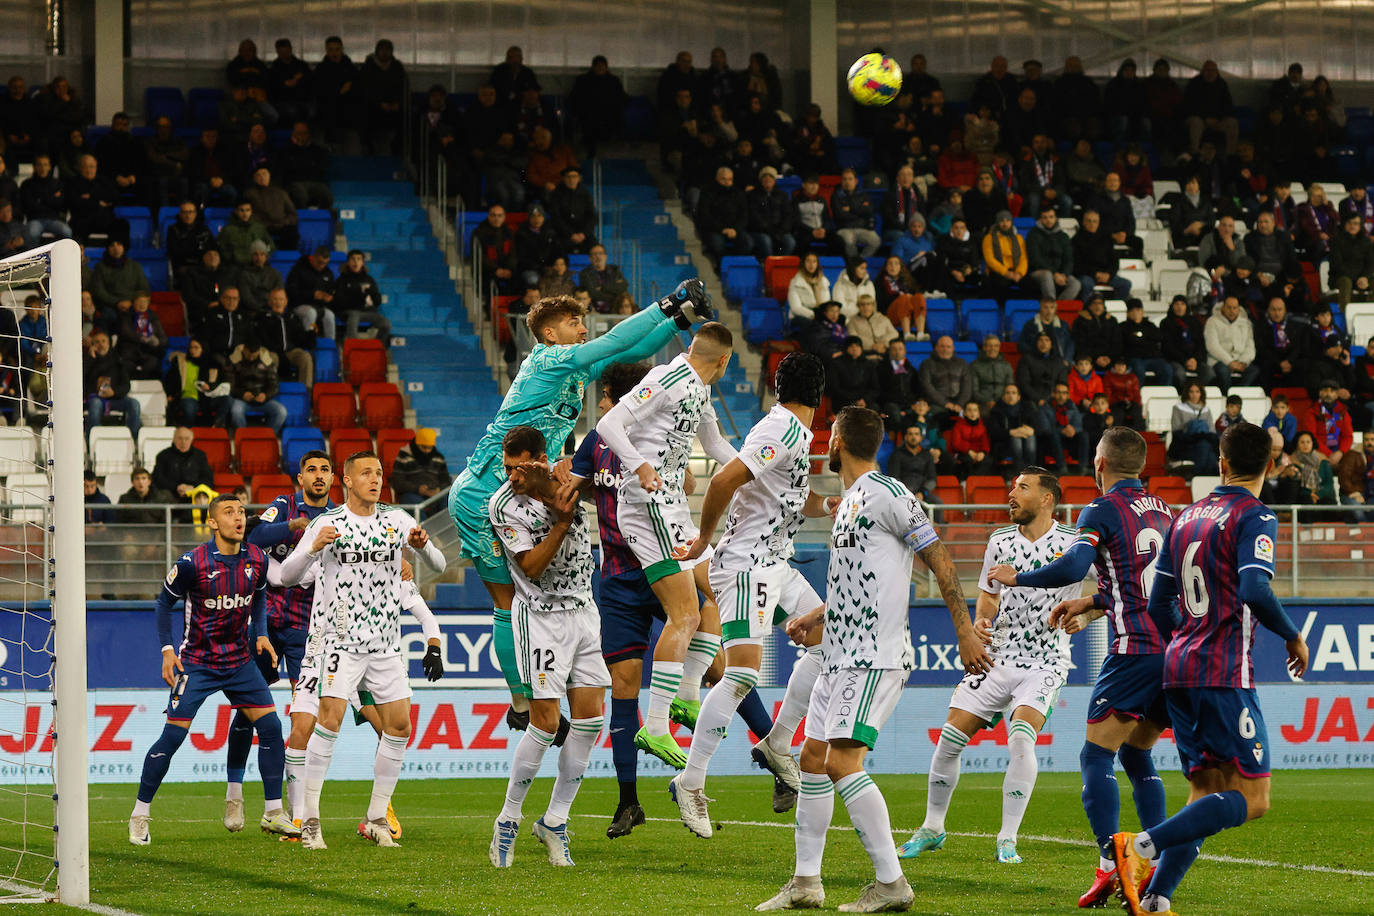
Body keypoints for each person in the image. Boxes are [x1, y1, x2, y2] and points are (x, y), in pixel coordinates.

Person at [448, 284, 710, 732]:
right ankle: (521, 704)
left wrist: (679, 322)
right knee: (507, 602)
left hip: (523, 489)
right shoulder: (548, 360)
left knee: (529, 597)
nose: (583, 329)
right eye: (574, 323)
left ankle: (541, 695)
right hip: (483, 492)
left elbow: (632, 350)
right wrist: (669, 302)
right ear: (550, 334)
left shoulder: (572, 370)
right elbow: (612, 341)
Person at [758, 406, 987, 912]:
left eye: (830, 435)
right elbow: (855, 582)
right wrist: (815, 618)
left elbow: (939, 557)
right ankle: (805, 882)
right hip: (837, 654)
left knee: (841, 761)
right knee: (812, 760)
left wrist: (965, 631)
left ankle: (891, 883)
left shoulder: (888, 493)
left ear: (838, 440)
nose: (827, 442)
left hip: (872, 657)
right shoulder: (853, 502)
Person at [1114, 423, 1308, 916]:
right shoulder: (1256, 516)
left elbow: (1157, 603)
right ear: (1268, 466)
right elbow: (1255, 590)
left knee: (1205, 791)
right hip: (1222, 672)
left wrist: (1187, 634)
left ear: (1220, 464)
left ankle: (1157, 898)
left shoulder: (1185, 517)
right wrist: (1292, 634)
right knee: (1255, 798)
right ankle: (1140, 847)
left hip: (1177, 666)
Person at [987, 428, 1173, 906]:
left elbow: (1072, 566)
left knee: (1095, 757)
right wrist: (1091, 601)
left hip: (1134, 649)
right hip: (1173, 649)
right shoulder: (1163, 509)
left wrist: (1018, 577)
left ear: (1102, 463)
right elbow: (1145, 582)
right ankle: (1150, 864)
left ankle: (1111, 861)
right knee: (1136, 755)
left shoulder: (1102, 508)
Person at [671, 353, 840, 835]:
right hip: (746, 566)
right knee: (742, 674)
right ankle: (692, 780)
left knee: (833, 640)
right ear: (819, 397)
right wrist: (705, 537)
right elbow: (725, 478)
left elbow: (786, 495)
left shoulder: (793, 435)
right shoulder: (781, 430)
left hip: (775, 563)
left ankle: (777, 742)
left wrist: (826, 503)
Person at [899, 468, 1080, 866]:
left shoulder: (1073, 543)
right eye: (1012, 486)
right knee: (949, 739)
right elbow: (987, 597)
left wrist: (1086, 615)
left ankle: (1007, 838)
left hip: (1045, 659)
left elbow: (1105, 591)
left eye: (1022, 487)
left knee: (1020, 737)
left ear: (1047, 499)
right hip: (997, 656)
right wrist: (981, 620)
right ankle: (932, 828)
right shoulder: (999, 541)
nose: (1011, 493)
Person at [278, 451, 446, 849]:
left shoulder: (397, 520)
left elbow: (438, 564)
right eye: (366, 473)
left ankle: (375, 818)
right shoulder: (327, 523)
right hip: (338, 640)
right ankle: (311, 821)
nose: (375, 478)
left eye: (380, 472)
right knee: (329, 720)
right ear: (348, 481)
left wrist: (421, 547)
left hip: (384, 644)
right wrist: (311, 547)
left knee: (400, 726)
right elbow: (287, 576)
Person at [595, 323, 737, 767]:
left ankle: (687, 695)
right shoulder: (665, 379)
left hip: (672, 506)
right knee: (686, 613)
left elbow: (714, 444)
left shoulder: (699, 389)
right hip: (646, 506)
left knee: (717, 589)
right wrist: (637, 465)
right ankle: (656, 727)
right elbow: (607, 422)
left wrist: (756, 474)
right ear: (725, 361)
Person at [126, 493, 294, 848]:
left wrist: (261, 634)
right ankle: (140, 813)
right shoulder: (192, 563)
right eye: (229, 512)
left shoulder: (257, 559)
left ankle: (273, 811)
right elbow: (163, 603)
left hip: (239, 661)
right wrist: (167, 650)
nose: (239, 518)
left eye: (242, 512)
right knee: (171, 738)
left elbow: (260, 594)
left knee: (271, 726)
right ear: (212, 523)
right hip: (198, 664)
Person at [485, 425, 608, 868]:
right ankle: (508, 820)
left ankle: (555, 821)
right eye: (507, 467)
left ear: (539, 459)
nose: (512, 477)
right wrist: (560, 521)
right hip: (540, 617)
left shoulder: (568, 479)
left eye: (519, 468)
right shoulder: (502, 504)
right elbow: (532, 568)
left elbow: (606, 492)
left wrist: (574, 484)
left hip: (584, 611)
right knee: (545, 722)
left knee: (592, 720)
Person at [233, 451, 339, 831]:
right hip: (265, 616)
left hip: (304, 625)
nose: (319, 476)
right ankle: (235, 792)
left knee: (303, 713)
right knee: (250, 706)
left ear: (332, 479)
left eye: (325, 470)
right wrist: (294, 525)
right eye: (311, 470)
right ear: (300, 478)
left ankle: (295, 809)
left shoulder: (339, 517)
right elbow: (255, 534)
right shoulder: (284, 505)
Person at [83, 329, 140, 437]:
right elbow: (82, 381)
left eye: (103, 341)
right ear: (93, 345)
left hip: (115, 398)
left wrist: (113, 392)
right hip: (95, 399)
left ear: (108, 343)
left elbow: (126, 385)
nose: (101, 344)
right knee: (96, 404)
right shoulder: (87, 360)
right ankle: (94, 439)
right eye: (97, 342)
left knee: (134, 404)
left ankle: (133, 439)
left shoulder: (118, 361)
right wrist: (91, 358)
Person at [227, 337, 287, 433]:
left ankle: (268, 436)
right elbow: (229, 385)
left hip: (262, 399)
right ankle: (243, 437)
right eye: (249, 355)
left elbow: (274, 385)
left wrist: (265, 395)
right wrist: (242, 394)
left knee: (281, 411)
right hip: (242, 399)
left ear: (258, 351)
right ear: (244, 350)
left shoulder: (267, 361)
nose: (251, 358)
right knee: (236, 411)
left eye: (254, 356)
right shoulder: (234, 361)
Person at [1074, 210, 1131, 301]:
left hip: (1106, 274)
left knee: (1126, 284)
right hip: (1087, 274)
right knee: (1086, 284)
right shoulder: (1076, 240)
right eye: (1089, 221)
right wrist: (1095, 274)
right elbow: (1077, 265)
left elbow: (1114, 261)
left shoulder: (1106, 239)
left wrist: (1108, 274)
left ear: (1098, 223)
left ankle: (1114, 307)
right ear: (1083, 222)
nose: (1092, 224)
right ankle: (1086, 311)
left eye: (1095, 221)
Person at [1204, 296, 1259, 391]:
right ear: (1223, 307)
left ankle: (1239, 396)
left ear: (1239, 309)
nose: (1232, 311)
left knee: (1254, 370)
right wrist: (1230, 362)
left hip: (1240, 361)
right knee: (1223, 371)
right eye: (1229, 307)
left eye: (1235, 308)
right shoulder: (1212, 321)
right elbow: (1212, 346)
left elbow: (1250, 346)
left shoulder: (1246, 323)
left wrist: (1243, 362)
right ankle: (1227, 398)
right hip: (1218, 360)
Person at [1027, 208, 1082, 302]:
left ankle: (1057, 307)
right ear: (1040, 220)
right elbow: (1035, 259)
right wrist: (1055, 273)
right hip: (1038, 271)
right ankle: (1050, 303)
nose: (1048, 220)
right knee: (1047, 275)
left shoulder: (1063, 236)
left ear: (1056, 218)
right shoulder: (1033, 235)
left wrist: (1065, 274)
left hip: (1060, 273)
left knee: (1075, 284)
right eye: (1045, 217)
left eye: (1051, 217)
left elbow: (1068, 259)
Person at [334, 249, 390, 341]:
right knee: (354, 315)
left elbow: (377, 301)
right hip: (349, 312)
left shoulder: (369, 279)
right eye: (353, 259)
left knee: (385, 324)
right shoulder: (342, 280)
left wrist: (372, 292)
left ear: (363, 263)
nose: (356, 262)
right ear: (348, 262)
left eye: (359, 259)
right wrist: (357, 293)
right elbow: (339, 302)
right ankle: (353, 347)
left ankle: (376, 346)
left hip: (367, 312)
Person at [1160, 295, 1214, 389]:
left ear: (1186, 306)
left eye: (1182, 304)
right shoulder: (1166, 323)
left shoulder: (1195, 322)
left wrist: (1195, 359)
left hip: (1194, 360)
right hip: (1175, 360)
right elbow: (1168, 347)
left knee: (1209, 372)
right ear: (1172, 306)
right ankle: (1183, 394)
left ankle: (1197, 393)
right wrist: (1184, 360)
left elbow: (1201, 344)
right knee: (1179, 374)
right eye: (1177, 304)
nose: (1179, 307)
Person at [285, 245, 338, 337]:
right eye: (320, 262)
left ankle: (330, 345)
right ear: (313, 257)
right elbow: (291, 292)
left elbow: (331, 291)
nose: (322, 266)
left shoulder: (328, 273)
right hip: (298, 305)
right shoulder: (298, 269)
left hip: (319, 306)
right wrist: (312, 294)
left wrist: (328, 298)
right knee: (311, 313)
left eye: (325, 263)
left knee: (330, 315)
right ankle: (308, 342)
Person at [989, 383, 1041, 475]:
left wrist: (1032, 430)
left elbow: (1038, 425)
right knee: (1016, 439)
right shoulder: (996, 410)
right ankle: (1020, 472)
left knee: (1030, 437)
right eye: (1007, 393)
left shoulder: (1027, 407)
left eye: (1013, 393)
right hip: (1005, 445)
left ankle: (1031, 472)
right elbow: (994, 432)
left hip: (1026, 442)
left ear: (1019, 396)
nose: (1010, 395)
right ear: (1003, 396)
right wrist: (1012, 432)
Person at [152, 426, 214, 501]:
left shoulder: (200, 456)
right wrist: (177, 487)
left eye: (186, 438)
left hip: (194, 492)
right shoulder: (163, 455)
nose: (183, 442)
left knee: (203, 497)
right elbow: (158, 478)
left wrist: (193, 487)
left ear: (191, 440)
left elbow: (207, 478)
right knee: (163, 496)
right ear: (174, 439)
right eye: (180, 438)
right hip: (171, 493)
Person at [391, 428, 452, 504]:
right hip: (412, 494)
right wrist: (418, 489)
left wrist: (439, 489)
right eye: (423, 447)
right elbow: (398, 482)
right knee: (413, 501)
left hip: (435, 493)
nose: (427, 451)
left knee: (449, 500)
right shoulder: (403, 457)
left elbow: (446, 480)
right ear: (417, 444)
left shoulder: (438, 458)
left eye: (429, 448)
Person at [90, 239, 151, 314]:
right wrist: (117, 302)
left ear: (123, 247)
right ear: (108, 249)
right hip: (109, 305)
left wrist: (131, 302)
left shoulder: (135, 266)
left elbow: (143, 288)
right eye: (112, 245)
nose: (116, 248)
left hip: (134, 305)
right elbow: (99, 291)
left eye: (119, 244)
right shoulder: (100, 267)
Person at [1300, 381, 1353, 466]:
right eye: (1325, 390)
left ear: (1337, 394)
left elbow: (1348, 436)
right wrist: (1328, 454)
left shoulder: (1343, 412)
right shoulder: (1312, 412)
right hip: (1319, 451)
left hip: (1339, 452)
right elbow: (1311, 437)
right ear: (1320, 393)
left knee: (1353, 458)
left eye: (1332, 391)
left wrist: (1340, 452)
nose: (1328, 394)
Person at [875, 255, 928, 341]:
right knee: (903, 298)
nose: (893, 267)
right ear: (885, 267)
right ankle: (907, 334)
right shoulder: (880, 282)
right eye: (890, 264)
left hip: (910, 314)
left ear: (901, 267)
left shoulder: (909, 281)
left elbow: (916, 298)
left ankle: (920, 333)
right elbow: (881, 303)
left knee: (919, 297)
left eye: (896, 264)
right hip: (891, 316)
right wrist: (901, 297)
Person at [1328, 213, 1374, 309]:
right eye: (1349, 223)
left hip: (1361, 278)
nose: (1352, 226)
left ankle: (1370, 313)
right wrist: (1356, 278)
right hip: (1340, 277)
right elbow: (1337, 265)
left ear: (1360, 226)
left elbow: (1370, 263)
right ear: (1344, 224)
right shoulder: (1336, 241)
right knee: (1346, 281)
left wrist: (1365, 277)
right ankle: (1346, 316)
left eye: (1356, 223)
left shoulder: (1366, 241)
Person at [831, 168, 879, 259]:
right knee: (849, 241)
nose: (847, 182)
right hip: (844, 228)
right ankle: (854, 263)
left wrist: (851, 209)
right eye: (844, 179)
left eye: (850, 179)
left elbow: (869, 211)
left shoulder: (864, 195)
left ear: (856, 181)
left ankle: (860, 261)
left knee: (875, 240)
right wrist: (860, 213)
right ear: (841, 181)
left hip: (862, 228)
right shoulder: (836, 196)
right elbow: (840, 215)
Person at [982, 210, 1030, 302]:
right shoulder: (989, 238)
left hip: (1016, 271)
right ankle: (1003, 310)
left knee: (1029, 283)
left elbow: (1023, 258)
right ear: (997, 223)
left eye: (1008, 221)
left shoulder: (1019, 238)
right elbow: (989, 260)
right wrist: (1006, 273)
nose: (1005, 224)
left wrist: (1019, 273)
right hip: (998, 271)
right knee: (1001, 284)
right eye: (1002, 221)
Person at [547, 166, 597, 254]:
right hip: (562, 233)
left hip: (583, 233)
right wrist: (570, 234)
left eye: (574, 176)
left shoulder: (586, 194)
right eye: (568, 177)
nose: (571, 180)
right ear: (564, 179)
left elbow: (591, 215)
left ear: (579, 178)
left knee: (596, 248)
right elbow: (556, 217)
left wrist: (584, 234)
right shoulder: (557, 194)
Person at [746, 166, 794, 257]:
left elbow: (788, 215)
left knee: (790, 242)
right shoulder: (753, 195)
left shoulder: (782, 195)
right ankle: (768, 265)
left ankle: (780, 263)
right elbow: (754, 216)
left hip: (780, 230)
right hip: (761, 231)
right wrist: (769, 230)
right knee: (766, 241)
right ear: (761, 180)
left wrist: (781, 231)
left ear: (775, 180)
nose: (768, 180)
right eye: (765, 178)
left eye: (770, 178)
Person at [1170, 383, 1219, 470]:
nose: (1194, 395)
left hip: (1204, 443)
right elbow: (1176, 432)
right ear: (1187, 393)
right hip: (1185, 444)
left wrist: (1201, 436)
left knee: (1206, 447)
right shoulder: (1178, 408)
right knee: (1206, 450)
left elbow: (1212, 432)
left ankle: (1200, 476)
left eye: (1197, 392)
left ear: (1201, 394)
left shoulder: (1206, 409)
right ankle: (1201, 476)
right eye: (1191, 392)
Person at [1120, 300, 1171, 384]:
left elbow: (1159, 337)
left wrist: (1137, 338)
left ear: (1142, 312)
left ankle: (1164, 392)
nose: (1135, 313)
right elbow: (1127, 341)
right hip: (1134, 358)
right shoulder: (1123, 326)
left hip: (1153, 358)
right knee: (1138, 370)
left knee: (1167, 369)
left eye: (1138, 310)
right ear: (1127, 313)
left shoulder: (1150, 325)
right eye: (1132, 310)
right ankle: (1137, 395)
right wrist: (1145, 338)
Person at [1073, 295, 1122, 373]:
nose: (1097, 306)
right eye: (1094, 303)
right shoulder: (1081, 321)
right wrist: (1096, 357)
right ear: (1089, 306)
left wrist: (1109, 357)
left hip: (1109, 358)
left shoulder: (1112, 320)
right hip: (1089, 358)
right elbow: (1080, 344)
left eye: (1100, 303)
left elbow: (1117, 341)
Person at [578, 245, 629, 315]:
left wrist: (603, 288)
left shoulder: (615, 270)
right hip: (593, 312)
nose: (598, 256)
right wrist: (614, 294)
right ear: (590, 258)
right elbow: (593, 294)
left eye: (600, 253)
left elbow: (623, 287)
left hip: (615, 311)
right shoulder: (585, 274)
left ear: (605, 256)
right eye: (595, 254)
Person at [1336, 430, 1374, 521]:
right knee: (1359, 514)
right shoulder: (1352, 455)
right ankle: (1366, 534)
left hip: (1368, 494)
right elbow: (1343, 477)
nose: (1370, 443)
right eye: (1367, 440)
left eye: (1372, 440)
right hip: (1351, 493)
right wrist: (1353, 492)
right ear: (1362, 441)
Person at [786, 251, 831, 322]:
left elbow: (827, 302)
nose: (811, 265)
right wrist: (813, 314)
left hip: (820, 314)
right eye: (808, 261)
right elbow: (795, 308)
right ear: (803, 263)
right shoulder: (796, 281)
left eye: (814, 261)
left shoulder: (823, 280)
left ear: (817, 264)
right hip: (802, 316)